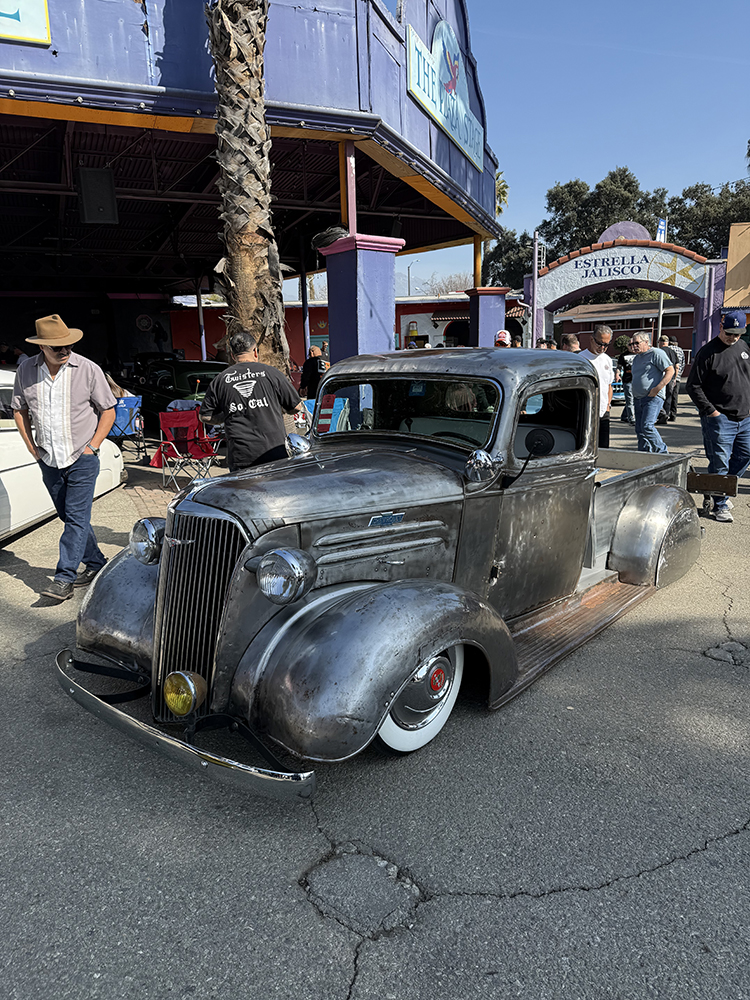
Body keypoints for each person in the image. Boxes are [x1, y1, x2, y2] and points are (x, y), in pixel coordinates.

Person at [11, 314, 116, 602]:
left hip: (82, 457)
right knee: (68, 516)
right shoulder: (26, 371)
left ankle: (64, 578)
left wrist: (93, 446)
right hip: (48, 459)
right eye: (57, 347)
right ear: (41, 347)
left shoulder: (88, 369)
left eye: (68, 345)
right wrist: (32, 448)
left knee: (76, 519)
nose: (65, 350)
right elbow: (19, 409)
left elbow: (108, 410)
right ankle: (96, 563)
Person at [199, 329, 304, 473]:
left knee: (245, 488)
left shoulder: (220, 380)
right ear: (255, 351)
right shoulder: (272, 373)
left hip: (241, 456)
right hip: (274, 452)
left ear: (232, 355)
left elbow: (204, 416)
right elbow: (296, 406)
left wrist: (229, 414)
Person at [686, 309, 750, 523]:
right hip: (720, 418)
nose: (733, 338)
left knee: (745, 455)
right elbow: (693, 386)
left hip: (745, 417)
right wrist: (712, 412)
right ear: (721, 327)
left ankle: (721, 489)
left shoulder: (743, 347)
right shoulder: (708, 352)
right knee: (719, 462)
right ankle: (719, 504)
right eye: (729, 333)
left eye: (737, 334)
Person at [630, 332, 674, 453]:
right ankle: (644, 454)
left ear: (646, 342)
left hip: (652, 397)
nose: (634, 346)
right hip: (638, 398)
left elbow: (670, 371)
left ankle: (662, 453)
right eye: (632, 344)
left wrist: (657, 389)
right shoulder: (637, 358)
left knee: (647, 426)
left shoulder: (656, 353)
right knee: (639, 429)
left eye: (637, 343)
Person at [579, 324, 614, 449]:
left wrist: (608, 405)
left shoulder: (607, 360)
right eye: (600, 343)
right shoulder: (581, 358)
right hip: (586, 410)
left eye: (606, 345)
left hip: (603, 411)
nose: (602, 348)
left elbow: (609, 385)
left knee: (604, 447)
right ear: (591, 339)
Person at [656, 334, 679, 425]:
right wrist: (675, 378)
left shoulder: (659, 351)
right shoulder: (673, 352)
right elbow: (677, 366)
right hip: (671, 377)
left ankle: (661, 414)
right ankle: (666, 414)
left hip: (661, 377)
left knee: (660, 396)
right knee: (669, 397)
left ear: (661, 342)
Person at [615, 336, 635, 426]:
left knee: (634, 400)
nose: (632, 346)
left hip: (637, 380)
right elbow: (619, 367)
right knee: (630, 399)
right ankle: (631, 418)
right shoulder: (623, 356)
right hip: (627, 380)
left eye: (634, 344)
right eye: (630, 344)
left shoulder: (639, 354)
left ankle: (624, 416)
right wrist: (617, 374)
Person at [668, 335, 685, 421]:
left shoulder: (668, 349)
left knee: (668, 395)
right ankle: (673, 414)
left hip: (668, 376)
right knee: (675, 396)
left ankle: (666, 413)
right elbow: (682, 363)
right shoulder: (680, 350)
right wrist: (679, 374)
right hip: (677, 377)